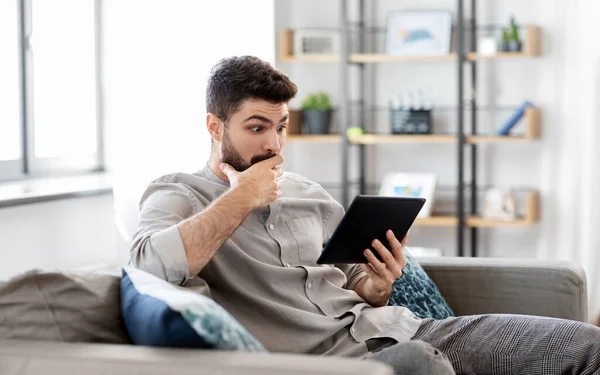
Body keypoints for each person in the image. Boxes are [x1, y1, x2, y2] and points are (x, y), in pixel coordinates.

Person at [130, 55, 600, 375]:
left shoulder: (307, 192)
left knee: (587, 348)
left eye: (281, 127)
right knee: (419, 364)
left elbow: (356, 280)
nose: (273, 145)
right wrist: (241, 196)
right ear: (214, 126)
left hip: (401, 328)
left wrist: (376, 286)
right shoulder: (178, 193)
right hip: (334, 362)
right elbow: (148, 264)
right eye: (256, 128)